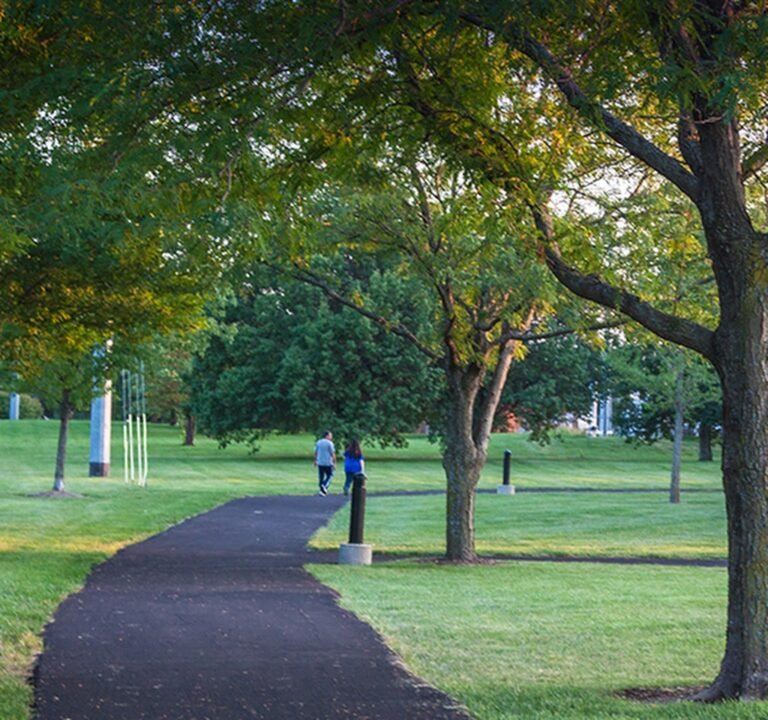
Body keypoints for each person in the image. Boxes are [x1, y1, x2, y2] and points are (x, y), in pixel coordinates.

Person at [314, 430, 336, 495]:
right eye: (330, 435)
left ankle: (322, 490)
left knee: (321, 476)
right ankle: (324, 485)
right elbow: (333, 454)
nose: (331, 437)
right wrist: (334, 463)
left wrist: (315, 460)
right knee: (330, 475)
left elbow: (316, 452)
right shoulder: (330, 443)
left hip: (320, 462)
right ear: (327, 436)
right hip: (328, 463)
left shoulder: (318, 442)